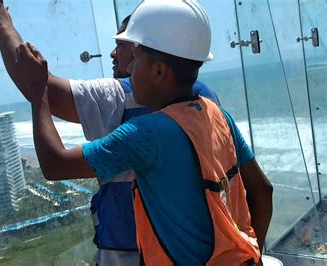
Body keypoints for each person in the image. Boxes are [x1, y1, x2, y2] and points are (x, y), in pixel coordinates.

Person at [15, 0, 273, 265]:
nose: (128, 69)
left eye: (136, 60)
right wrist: (255, 255)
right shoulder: (219, 116)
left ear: (159, 70)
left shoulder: (145, 135)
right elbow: (263, 190)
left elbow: (55, 165)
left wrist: (39, 95)